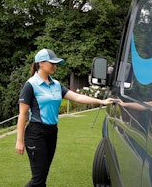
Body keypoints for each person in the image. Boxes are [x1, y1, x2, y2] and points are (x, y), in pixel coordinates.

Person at [15, 48, 115, 187]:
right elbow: (23, 114)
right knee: (38, 179)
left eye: (56, 63)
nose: (55, 66)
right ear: (41, 63)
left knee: (42, 177)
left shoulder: (56, 85)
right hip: (36, 133)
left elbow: (77, 97)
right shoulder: (30, 85)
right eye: (52, 63)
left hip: (52, 132)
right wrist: (19, 140)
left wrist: (101, 101)